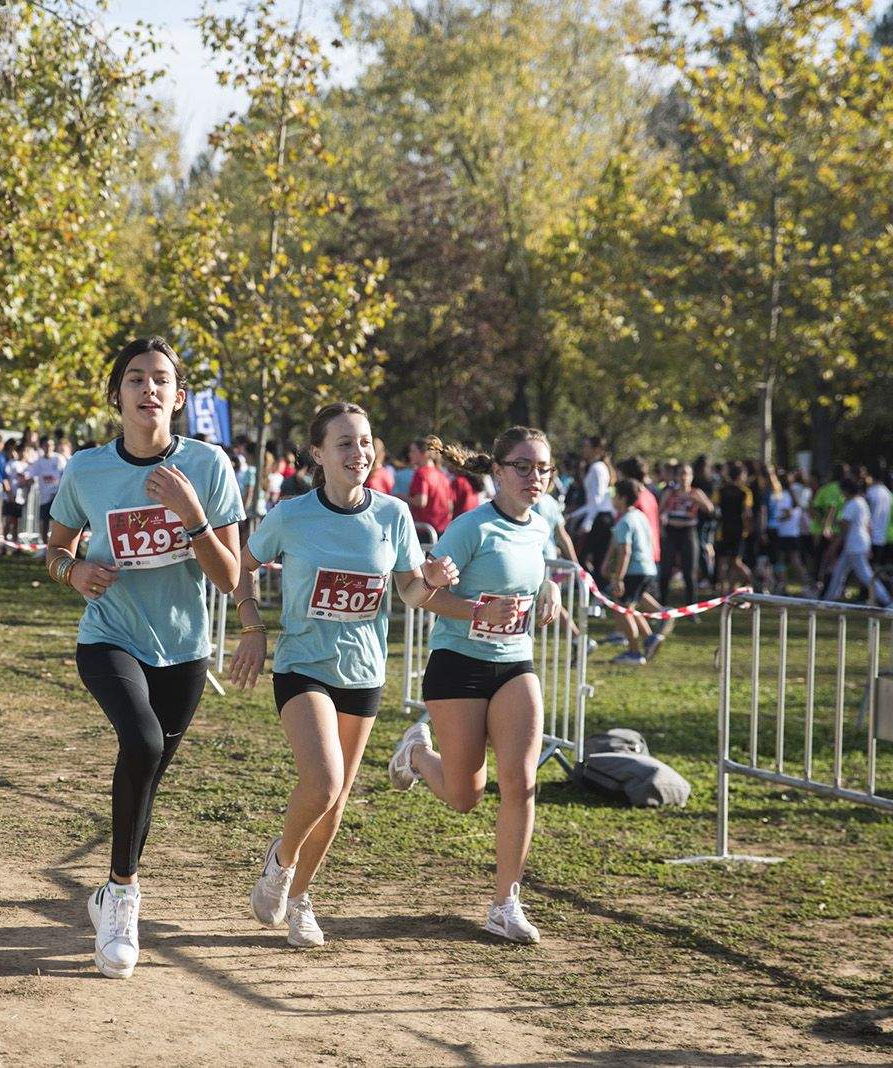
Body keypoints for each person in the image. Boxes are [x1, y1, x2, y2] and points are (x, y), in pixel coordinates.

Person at [44, 337, 243, 979]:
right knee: (143, 740)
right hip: (110, 635)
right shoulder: (87, 470)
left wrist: (192, 518)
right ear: (118, 395)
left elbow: (229, 574)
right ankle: (124, 894)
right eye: (136, 378)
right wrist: (73, 572)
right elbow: (55, 550)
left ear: (178, 398)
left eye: (161, 379)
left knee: (146, 768)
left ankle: (108, 894)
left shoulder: (210, 467)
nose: (148, 389)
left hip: (183, 648)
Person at [229, 403, 452, 948]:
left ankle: (301, 897)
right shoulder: (291, 514)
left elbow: (408, 592)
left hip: (363, 671)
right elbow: (239, 566)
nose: (359, 453)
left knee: (338, 797)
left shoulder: (394, 516)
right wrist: (253, 627)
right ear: (319, 454)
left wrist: (433, 581)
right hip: (304, 666)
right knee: (323, 781)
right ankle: (280, 863)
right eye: (346, 443)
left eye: (366, 442)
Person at [386, 427, 562, 943]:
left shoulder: (540, 525)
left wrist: (551, 589)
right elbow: (418, 595)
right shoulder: (471, 528)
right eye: (523, 467)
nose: (535, 477)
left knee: (521, 780)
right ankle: (417, 755)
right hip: (457, 664)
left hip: (514, 665)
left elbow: (536, 574)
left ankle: (506, 903)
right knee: (466, 796)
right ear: (499, 471)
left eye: (543, 469)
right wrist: (476, 608)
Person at [603, 478, 659, 664]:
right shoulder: (640, 516)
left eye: (614, 496)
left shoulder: (624, 521)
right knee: (631, 608)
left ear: (622, 498)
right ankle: (650, 638)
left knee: (622, 611)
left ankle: (634, 652)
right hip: (648, 568)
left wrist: (618, 578)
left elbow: (625, 552)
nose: (611, 499)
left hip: (634, 571)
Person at [823, 476, 891, 606]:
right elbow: (868, 526)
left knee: (865, 575)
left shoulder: (852, 504)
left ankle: (886, 599)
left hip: (855, 545)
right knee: (839, 572)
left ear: (847, 490)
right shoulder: (862, 502)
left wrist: (833, 546)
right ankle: (828, 599)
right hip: (858, 543)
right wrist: (869, 545)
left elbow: (844, 529)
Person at [659, 464, 714, 604]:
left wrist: (694, 500)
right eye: (681, 474)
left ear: (691, 476)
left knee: (689, 572)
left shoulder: (696, 492)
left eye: (687, 474)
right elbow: (659, 510)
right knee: (665, 571)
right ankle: (662, 604)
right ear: (676, 476)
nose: (684, 477)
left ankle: (691, 607)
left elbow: (710, 508)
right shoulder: (670, 492)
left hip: (688, 532)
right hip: (671, 532)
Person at [572, 436, 614, 575]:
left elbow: (597, 500)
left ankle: (596, 587)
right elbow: (592, 502)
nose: (584, 450)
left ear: (596, 450)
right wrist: (573, 515)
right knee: (594, 557)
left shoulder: (597, 468)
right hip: (598, 515)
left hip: (600, 518)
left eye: (587, 446)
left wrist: (587, 523)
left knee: (585, 556)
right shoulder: (595, 467)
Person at [714, 461, 753, 592]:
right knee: (735, 561)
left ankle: (722, 591)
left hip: (723, 529)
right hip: (739, 530)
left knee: (722, 562)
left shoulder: (720, 491)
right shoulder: (745, 492)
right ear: (741, 475)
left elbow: (715, 508)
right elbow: (748, 514)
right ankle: (745, 581)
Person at [406, 437, 454, 537]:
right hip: (443, 530)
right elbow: (450, 506)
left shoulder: (421, 473)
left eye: (413, 451)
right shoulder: (442, 475)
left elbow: (421, 501)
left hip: (425, 530)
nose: (410, 454)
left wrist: (402, 498)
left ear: (425, 454)